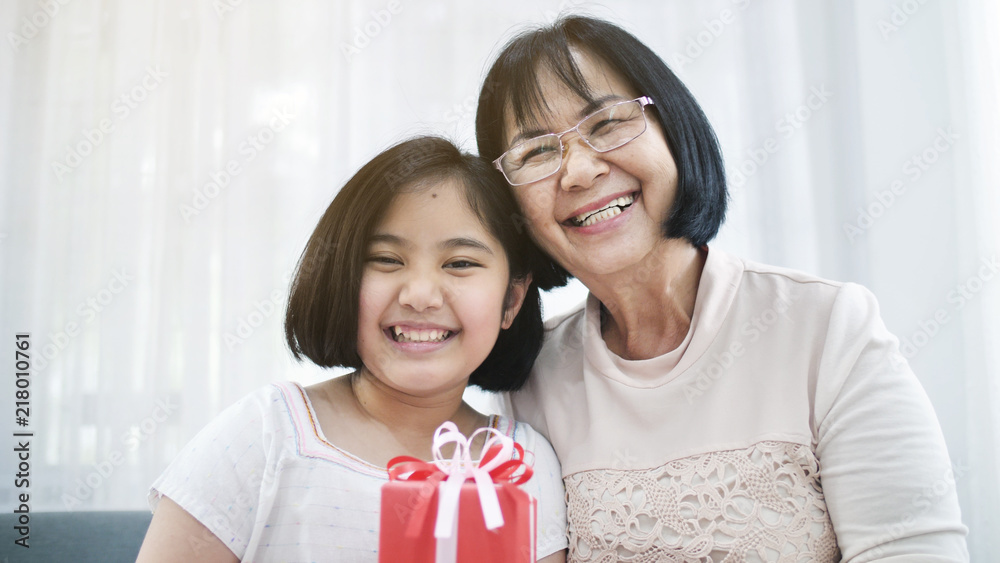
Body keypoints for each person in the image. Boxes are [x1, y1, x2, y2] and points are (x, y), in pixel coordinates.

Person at [475, 15, 969, 562]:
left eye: (606, 123)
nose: (579, 170)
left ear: (673, 126)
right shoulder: (529, 387)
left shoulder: (827, 330)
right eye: (536, 153)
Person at [136, 136, 568, 562]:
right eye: (386, 259)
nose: (420, 295)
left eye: (459, 264)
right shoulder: (265, 438)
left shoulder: (522, 463)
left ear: (511, 300)